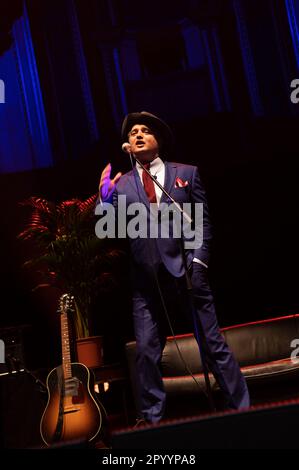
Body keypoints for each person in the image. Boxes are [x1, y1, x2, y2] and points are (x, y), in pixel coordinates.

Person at [97, 111, 250, 424]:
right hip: (145, 280)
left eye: (145, 131)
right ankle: (152, 422)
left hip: (187, 273)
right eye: (133, 132)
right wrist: (104, 202)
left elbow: (201, 222)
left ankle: (243, 411)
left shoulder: (186, 173)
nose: (137, 135)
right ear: (127, 144)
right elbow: (106, 228)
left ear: (159, 141)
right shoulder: (122, 184)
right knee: (146, 351)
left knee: (212, 343)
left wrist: (200, 260)